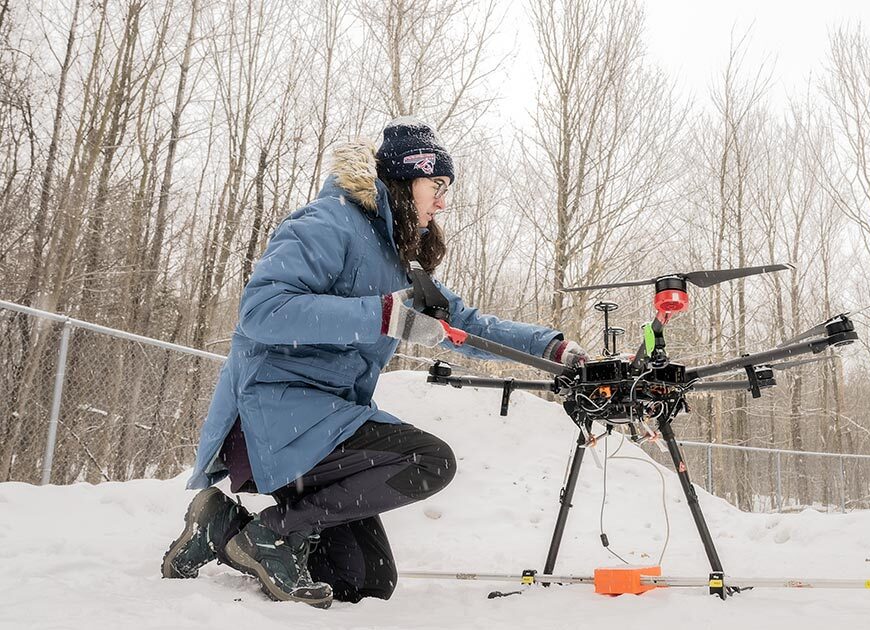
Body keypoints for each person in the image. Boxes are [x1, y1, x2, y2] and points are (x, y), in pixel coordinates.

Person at [160, 119, 589, 608]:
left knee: (364, 582)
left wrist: (553, 350)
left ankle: (225, 526)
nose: (443, 202)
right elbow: (261, 311)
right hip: (274, 414)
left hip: (325, 424)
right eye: (438, 186)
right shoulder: (326, 223)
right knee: (428, 460)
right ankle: (274, 533)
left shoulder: (395, 255)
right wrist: (384, 316)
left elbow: (463, 324)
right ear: (408, 181)